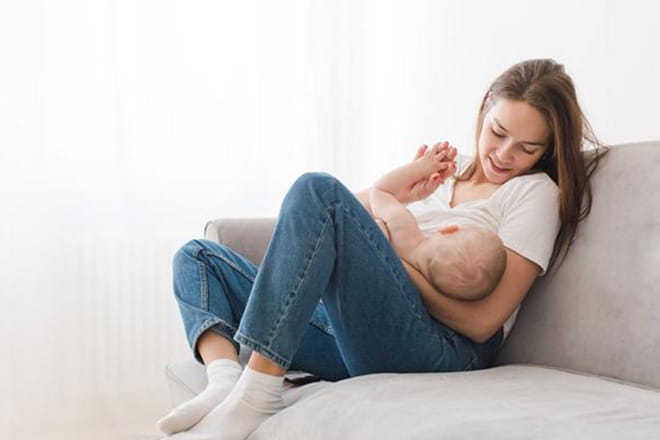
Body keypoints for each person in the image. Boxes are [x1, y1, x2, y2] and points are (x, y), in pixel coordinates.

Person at [157, 58, 608, 440]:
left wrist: (399, 257)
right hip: (363, 329)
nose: (504, 154)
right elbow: (322, 227)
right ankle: (224, 379)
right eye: (498, 132)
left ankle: (257, 393)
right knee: (198, 259)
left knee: (316, 187)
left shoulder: (534, 193)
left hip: (439, 346)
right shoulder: (446, 169)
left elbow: (482, 322)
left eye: (527, 147)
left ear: (547, 151)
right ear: (484, 107)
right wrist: (401, 195)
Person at [369, 141, 506, 301]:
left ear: (449, 229)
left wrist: (420, 168)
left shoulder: (405, 229)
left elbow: (380, 190)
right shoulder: (419, 288)